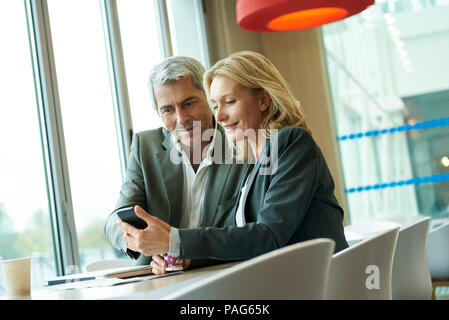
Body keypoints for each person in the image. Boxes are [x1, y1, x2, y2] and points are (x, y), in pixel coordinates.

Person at [118, 51, 348, 274]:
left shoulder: (291, 142)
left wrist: (174, 239)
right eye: (215, 105)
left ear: (263, 100)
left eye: (229, 102)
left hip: (318, 282)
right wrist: (183, 257)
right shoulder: (251, 163)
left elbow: (268, 235)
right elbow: (239, 239)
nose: (219, 117)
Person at [105, 56, 248, 269]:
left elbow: (245, 231)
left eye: (188, 103)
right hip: (158, 273)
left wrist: (180, 250)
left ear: (209, 97)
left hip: (219, 269)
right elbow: (114, 221)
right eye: (167, 110)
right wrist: (142, 239)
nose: (181, 119)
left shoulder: (242, 144)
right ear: (158, 113)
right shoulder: (146, 146)